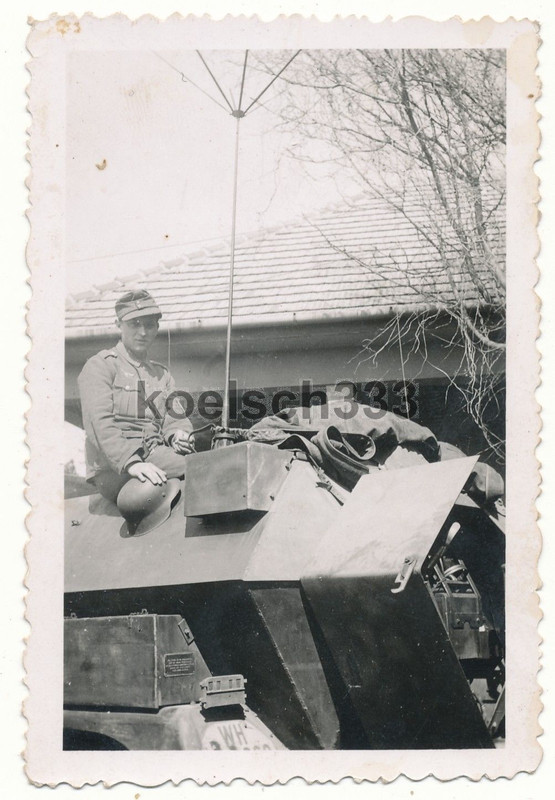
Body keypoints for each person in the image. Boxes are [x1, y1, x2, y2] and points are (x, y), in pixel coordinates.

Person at [78, 289, 194, 503]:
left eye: (149, 325)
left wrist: (179, 434)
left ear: (157, 328)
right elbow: (100, 425)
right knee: (200, 470)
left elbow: (174, 418)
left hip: (155, 455)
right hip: (114, 469)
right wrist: (132, 463)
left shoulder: (161, 375)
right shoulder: (101, 366)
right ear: (118, 324)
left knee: (205, 465)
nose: (143, 332)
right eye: (135, 324)